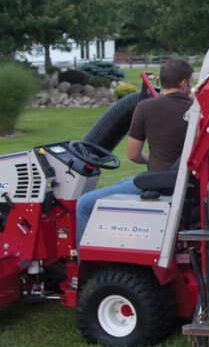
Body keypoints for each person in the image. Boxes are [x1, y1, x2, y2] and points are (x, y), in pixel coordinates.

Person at [75, 58, 194, 241]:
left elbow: (133, 154)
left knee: (83, 204)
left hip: (161, 186)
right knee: (121, 183)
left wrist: (149, 160)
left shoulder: (145, 107)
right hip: (187, 183)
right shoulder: (197, 110)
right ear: (184, 82)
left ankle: (84, 265)